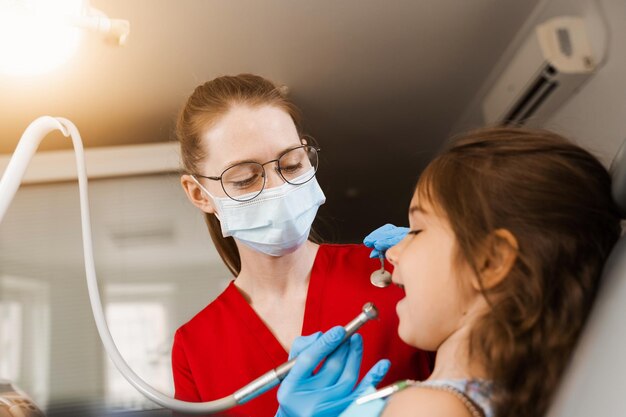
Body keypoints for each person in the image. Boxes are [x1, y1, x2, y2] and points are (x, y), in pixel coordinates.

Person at [276, 127, 622, 417]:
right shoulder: (449, 400)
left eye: (417, 230)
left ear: (489, 262)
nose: (393, 252)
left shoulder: (428, 409)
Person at [171, 73, 432, 417]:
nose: (279, 189)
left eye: (292, 164)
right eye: (246, 179)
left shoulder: (397, 272)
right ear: (198, 194)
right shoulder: (197, 347)